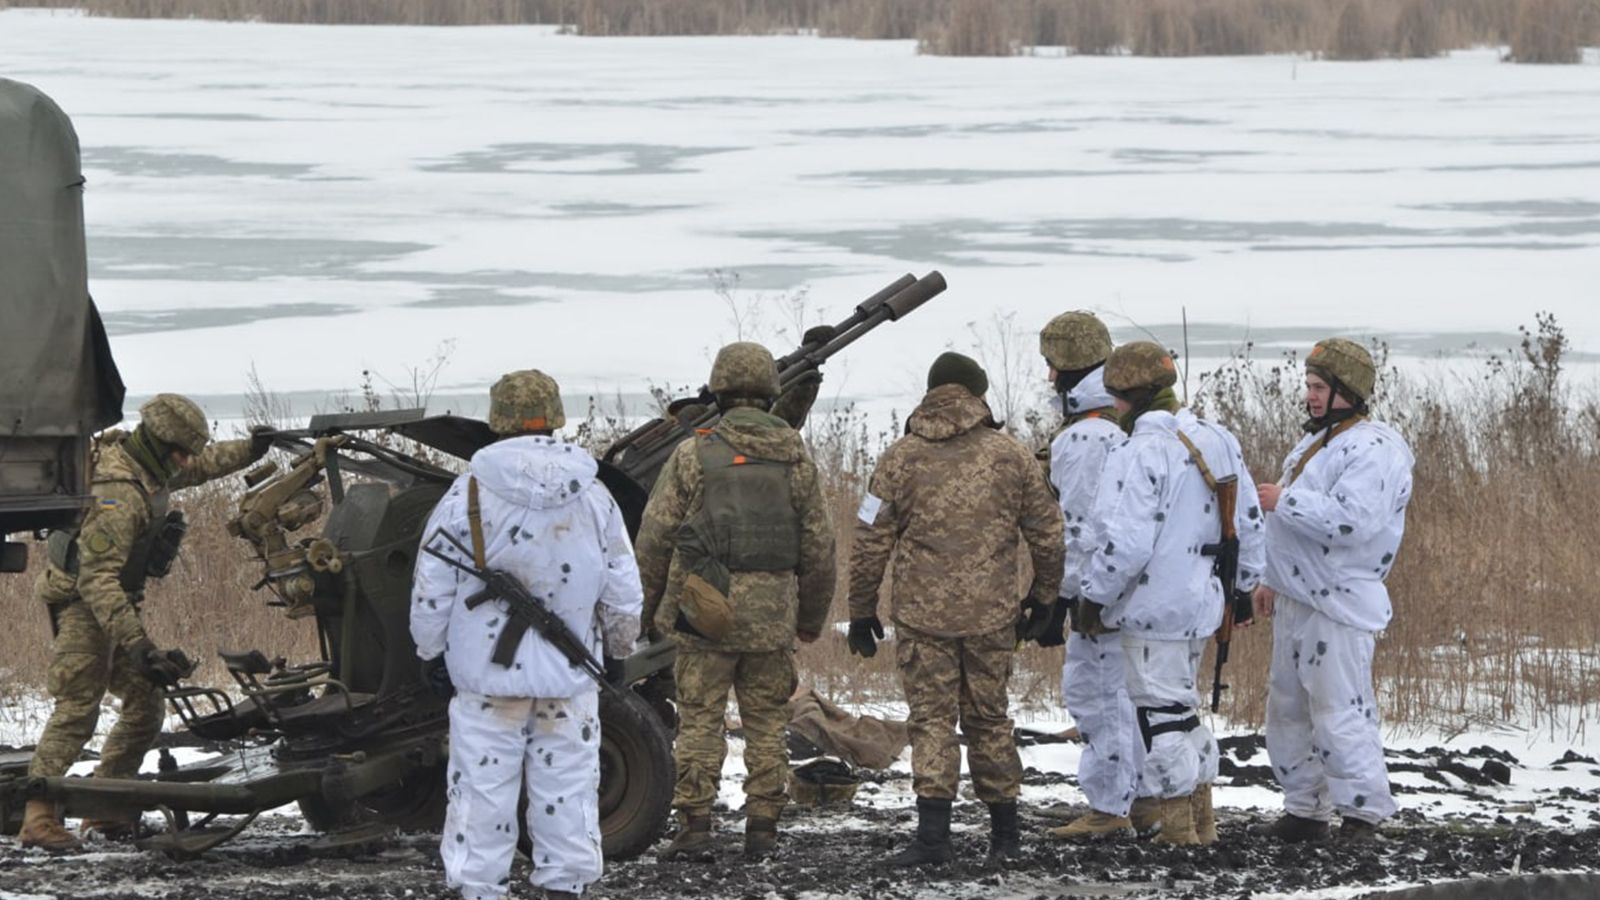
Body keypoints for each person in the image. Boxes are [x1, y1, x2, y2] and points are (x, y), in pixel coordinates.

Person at [411, 369, 642, 900]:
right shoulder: (596, 495)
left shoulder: (465, 492)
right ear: (556, 420)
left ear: (497, 423)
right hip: (570, 681)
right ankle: (565, 888)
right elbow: (623, 590)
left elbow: (431, 589)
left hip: (487, 686)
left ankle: (480, 890)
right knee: (567, 793)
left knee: (482, 797)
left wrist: (429, 652)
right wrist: (621, 648)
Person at [19, 394, 270, 852]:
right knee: (78, 706)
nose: (186, 461)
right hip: (83, 604)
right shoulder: (117, 493)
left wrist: (254, 449)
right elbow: (97, 581)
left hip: (114, 604)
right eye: (180, 452)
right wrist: (138, 643)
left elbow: (204, 464)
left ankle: (106, 806)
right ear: (158, 443)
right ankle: (38, 815)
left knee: (145, 704)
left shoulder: (150, 467)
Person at [847, 351, 1064, 866]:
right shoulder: (1010, 456)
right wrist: (1044, 597)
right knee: (990, 718)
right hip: (992, 615)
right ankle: (1006, 839)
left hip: (923, 619)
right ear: (977, 395)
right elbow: (1049, 534)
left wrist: (861, 610)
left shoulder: (898, 458)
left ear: (931, 394)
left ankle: (933, 840)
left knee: (932, 722)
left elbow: (869, 539)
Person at [635, 342, 836, 861]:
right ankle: (763, 829)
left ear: (719, 390)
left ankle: (696, 828)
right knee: (768, 722)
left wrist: (643, 609)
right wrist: (810, 618)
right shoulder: (794, 454)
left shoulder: (694, 452)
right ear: (770, 392)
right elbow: (818, 545)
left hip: (705, 612)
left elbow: (655, 537)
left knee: (699, 719)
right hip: (771, 619)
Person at [1077, 342, 1263, 845]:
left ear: (1129, 396)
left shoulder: (1140, 451)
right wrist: (1242, 586)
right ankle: (1202, 822)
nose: (1113, 408)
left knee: (1160, 716)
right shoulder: (1216, 438)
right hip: (1203, 601)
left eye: (1116, 397)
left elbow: (1126, 541)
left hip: (1152, 607)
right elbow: (1248, 520)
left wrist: (1093, 598)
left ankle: (1179, 827)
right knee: (1183, 708)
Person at [1253, 339, 1413, 843]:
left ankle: (1363, 814)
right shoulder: (1318, 442)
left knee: (1340, 709)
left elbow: (1352, 522)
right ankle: (1305, 809)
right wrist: (1268, 578)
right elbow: (1293, 532)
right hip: (1297, 598)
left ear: (1348, 390)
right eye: (1309, 386)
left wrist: (1285, 500)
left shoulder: (1375, 449)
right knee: (1288, 709)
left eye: (1320, 387)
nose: (1311, 396)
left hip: (1340, 603)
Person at [1035, 312, 1155, 841]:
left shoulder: (1084, 438)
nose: (1047, 379)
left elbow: (1082, 530)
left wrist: (1061, 599)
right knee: (1137, 696)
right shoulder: (1124, 426)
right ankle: (1148, 800)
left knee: (1097, 696)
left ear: (1066, 370)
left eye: (1050, 367)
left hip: (1101, 593)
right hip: (1138, 590)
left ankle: (1108, 807)